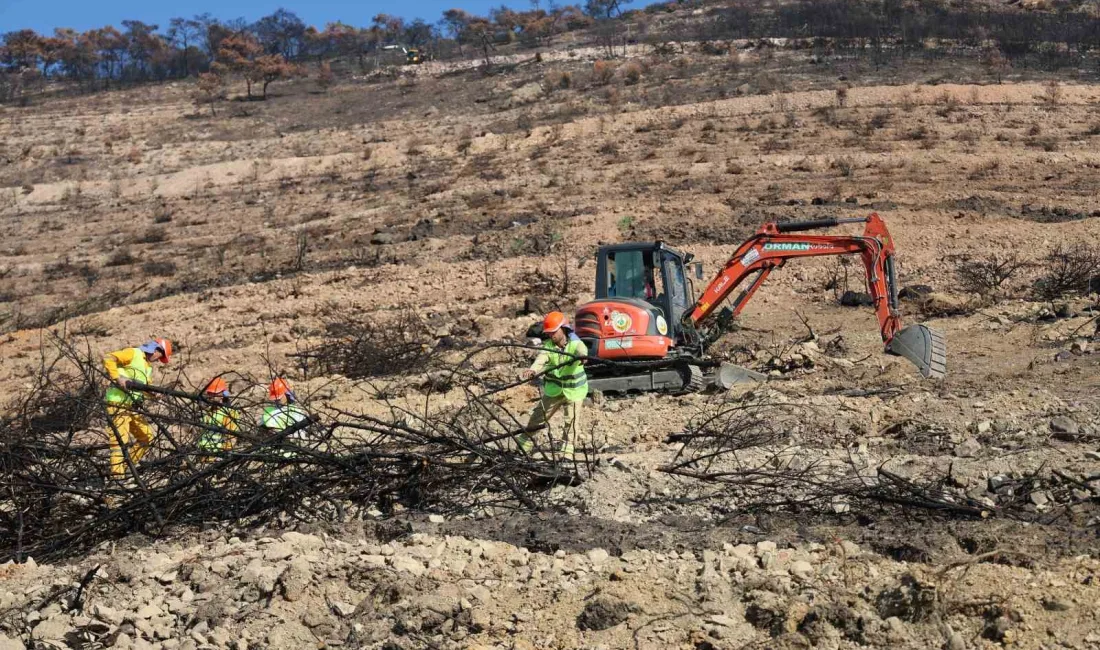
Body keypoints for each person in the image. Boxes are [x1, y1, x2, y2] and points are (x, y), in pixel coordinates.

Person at [517, 312, 588, 461]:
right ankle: (523, 447)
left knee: (571, 422)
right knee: (538, 418)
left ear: (563, 329)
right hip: (554, 391)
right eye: (549, 333)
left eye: (553, 332)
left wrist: (582, 358)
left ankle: (567, 455)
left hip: (574, 391)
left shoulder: (576, 343)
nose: (551, 336)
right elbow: (541, 359)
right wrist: (533, 370)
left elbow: (582, 351)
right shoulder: (549, 346)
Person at [102, 339, 172, 477]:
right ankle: (117, 478)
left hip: (132, 407)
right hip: (117, 404)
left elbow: (143, 387)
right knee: (119, 441)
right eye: (160, 356)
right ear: (156, 350)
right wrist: (118, 378)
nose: (159, 360)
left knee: (146, 437)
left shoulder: (147, 367)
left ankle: (127, 467)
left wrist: (153, 394)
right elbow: (108, 358)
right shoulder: (133, 353)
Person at [261, 377, 311, 456]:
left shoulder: (296, 412)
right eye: (275, 399)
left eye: (279, 398)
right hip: (268, 452)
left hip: (288, 452)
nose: (277, 401)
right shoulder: (268, 411)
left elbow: (300, 437)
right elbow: (261, 432)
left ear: (287, 394)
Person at [197, 377, 238, 460]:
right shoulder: (208, 412)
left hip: (216, 458)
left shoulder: (229, 413)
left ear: (223, 394)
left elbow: (231, 437)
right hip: (204, 457)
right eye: (209, 393)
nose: (211, 396)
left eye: (214, 394)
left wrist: (223, 455)